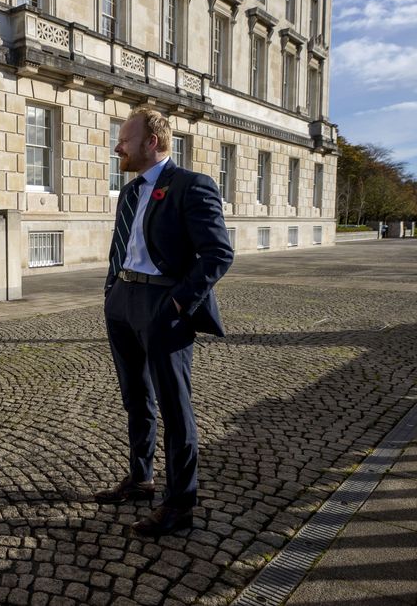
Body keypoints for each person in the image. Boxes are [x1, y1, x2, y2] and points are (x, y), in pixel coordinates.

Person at [95, 107, 234, 536]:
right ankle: (140, 479)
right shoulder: (130, 191)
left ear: (152, 142)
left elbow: (218, 255)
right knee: (136, 399)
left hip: (162, 304)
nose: (118, 146)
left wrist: (176, 305)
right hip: (123, 299)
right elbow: (125, 246)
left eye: (125, 139)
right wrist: (111, 293)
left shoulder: (191, 186)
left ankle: (180, 504)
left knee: (175, 409)